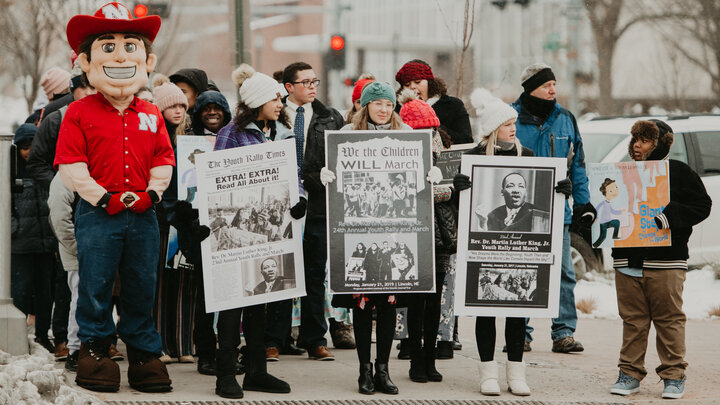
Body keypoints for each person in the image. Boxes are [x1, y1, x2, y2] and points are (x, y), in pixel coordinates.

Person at [54, 2, 174, 392]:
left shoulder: (152, 114)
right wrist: (103, 197)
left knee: (142, 283)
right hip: (97, 214)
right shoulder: (78, 113)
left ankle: (143, 353)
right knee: (95, 283)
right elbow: (71, 165)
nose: (121, 55)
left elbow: (163, 158)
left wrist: (151, 194)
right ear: (86, 62)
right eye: (108, 47)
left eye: (130, 46)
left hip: (142, 215)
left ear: (148, 60)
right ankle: (94, 349)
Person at [453, 95, 571, 396]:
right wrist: (459, 189)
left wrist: (560, 190)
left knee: (519, 310)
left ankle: (516, 373)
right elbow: (460, 208)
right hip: (485, 252)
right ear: (493, 128)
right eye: (507, 124)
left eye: (513, 123)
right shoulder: (474, 157)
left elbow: (545, 195)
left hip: (522, 254)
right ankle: (488, 373)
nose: (513, 128)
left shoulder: (528, 155)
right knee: (486, 310)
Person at [209, 63, 306, 398]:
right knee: (232, 301)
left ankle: (256, 372)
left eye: (280, 98)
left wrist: (299, 199)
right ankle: (225, 374)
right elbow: (217, 181)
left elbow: (294, 175)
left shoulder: (279, 132)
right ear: (256, 102)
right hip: (239, 233)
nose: (280, 103)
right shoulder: (231, 133)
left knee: (259, 301)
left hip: (271, 234)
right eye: (274, 98)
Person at [609, 119, 711, 400]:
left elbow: (703, 205)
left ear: (661, 143)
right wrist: (592, 217)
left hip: (666, 260)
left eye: (644, 140)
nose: (637, 146)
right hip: (627, 259)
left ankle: (674, 375)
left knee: (669, 319)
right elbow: (606, 205)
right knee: (633, 320)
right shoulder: (620, 173)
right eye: (635, 140)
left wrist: (670, 216)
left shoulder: (677, 172)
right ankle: (629, 374)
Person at [327, 81, 411, 395]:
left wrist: (429, 178)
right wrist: (329, 176)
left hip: (393, 233)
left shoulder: (406, 136)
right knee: (361, 305)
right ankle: (364, 370)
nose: (384, 109)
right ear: (366, 106)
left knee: (388, 305)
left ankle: (383, 369)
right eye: (378, 104)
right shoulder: (348, 133)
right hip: (359, 234)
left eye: (388, 104)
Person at [511, 62, 596, 353]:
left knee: (563, 273)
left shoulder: (565, 118)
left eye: (554, 84)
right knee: (523, 271)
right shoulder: (511, 118)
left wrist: (582, 200)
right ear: (531, 88)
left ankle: (563, 332)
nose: (553, 89)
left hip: (558, 210)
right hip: (519, 214)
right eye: (547, 85)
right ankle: (519, 333)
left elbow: (578, 164)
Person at [27, 59, 98, 363]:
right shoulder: (57, 120)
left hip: (96, 207)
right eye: (89, 88)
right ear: (76, 89)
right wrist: (64, 182)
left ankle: (95, 342)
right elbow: (36, 164)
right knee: (67, 280)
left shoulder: (104, 118)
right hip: (64, 207)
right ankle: (66, 342)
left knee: (94, 284)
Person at [280, 61, 349, 356]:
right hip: (282, 202)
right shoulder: (275, 113)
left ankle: (315, 339)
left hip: (319, 204)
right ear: (289, 87)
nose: (311, 87)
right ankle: (277, 339)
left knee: (314, 271)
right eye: (305, 82)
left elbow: (343, 157)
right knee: (281, 271)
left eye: (314, 81)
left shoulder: (330, 117)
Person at [397, 88, 452, 383]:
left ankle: (429, 357)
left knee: (435, 299)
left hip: (439, 234)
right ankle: (416, 357)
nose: (430, 137)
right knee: (417, 300)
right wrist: (450, 190)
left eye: (432, 130)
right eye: (422, 130)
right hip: (412, 234)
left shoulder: (442, 151)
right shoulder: (398, 154)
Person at [10, 124, 58, 354]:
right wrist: (14, 229)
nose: (28, 152)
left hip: (46, 244)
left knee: (44, 293)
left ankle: (41, 335)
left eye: (32, 146)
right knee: (20, 292)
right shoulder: (10, 172)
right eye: (24, 147)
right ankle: (17, 337)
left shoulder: (46, 170)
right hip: (20, 245)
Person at [395, 59, 473, 144]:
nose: (412, 87)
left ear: (429, 83)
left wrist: (431, 124)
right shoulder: (397, 110)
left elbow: (466, 140)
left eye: (417, 82)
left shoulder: (453, 105)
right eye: (407, 85)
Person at [482, 172, 549, 232]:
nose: (516, 190)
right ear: (502, 192)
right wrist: (482, 222)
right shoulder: (493, 216)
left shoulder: (537, 214)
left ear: (525, 192)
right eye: (510, 186)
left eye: (521, 186)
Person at [593, 178, 623, 247]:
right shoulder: (603, 203)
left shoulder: (608, 203)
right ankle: (595, 245)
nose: (614, 191)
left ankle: (615, 236)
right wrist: (596, 217)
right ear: (605, 193)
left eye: (616, 187)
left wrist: (620, 212)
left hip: (608, 222)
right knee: (603, 237)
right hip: (603, 223)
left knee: (616, 222)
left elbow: (613, 211)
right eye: (610, 191)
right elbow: (597, 208)